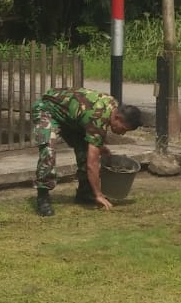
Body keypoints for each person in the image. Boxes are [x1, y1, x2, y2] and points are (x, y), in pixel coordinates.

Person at [29, 87, 144, 216]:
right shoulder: (98, 117)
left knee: (86, 150)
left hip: (71, 118)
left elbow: (91, 129)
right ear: (117, 117)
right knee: (48, 151)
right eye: (123, 129)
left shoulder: (113, 106)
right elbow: (92, 164)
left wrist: (100, 147)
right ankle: (43, 197)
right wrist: (98, 194)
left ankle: (85, 193)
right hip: (47, 109)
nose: (122, 134)